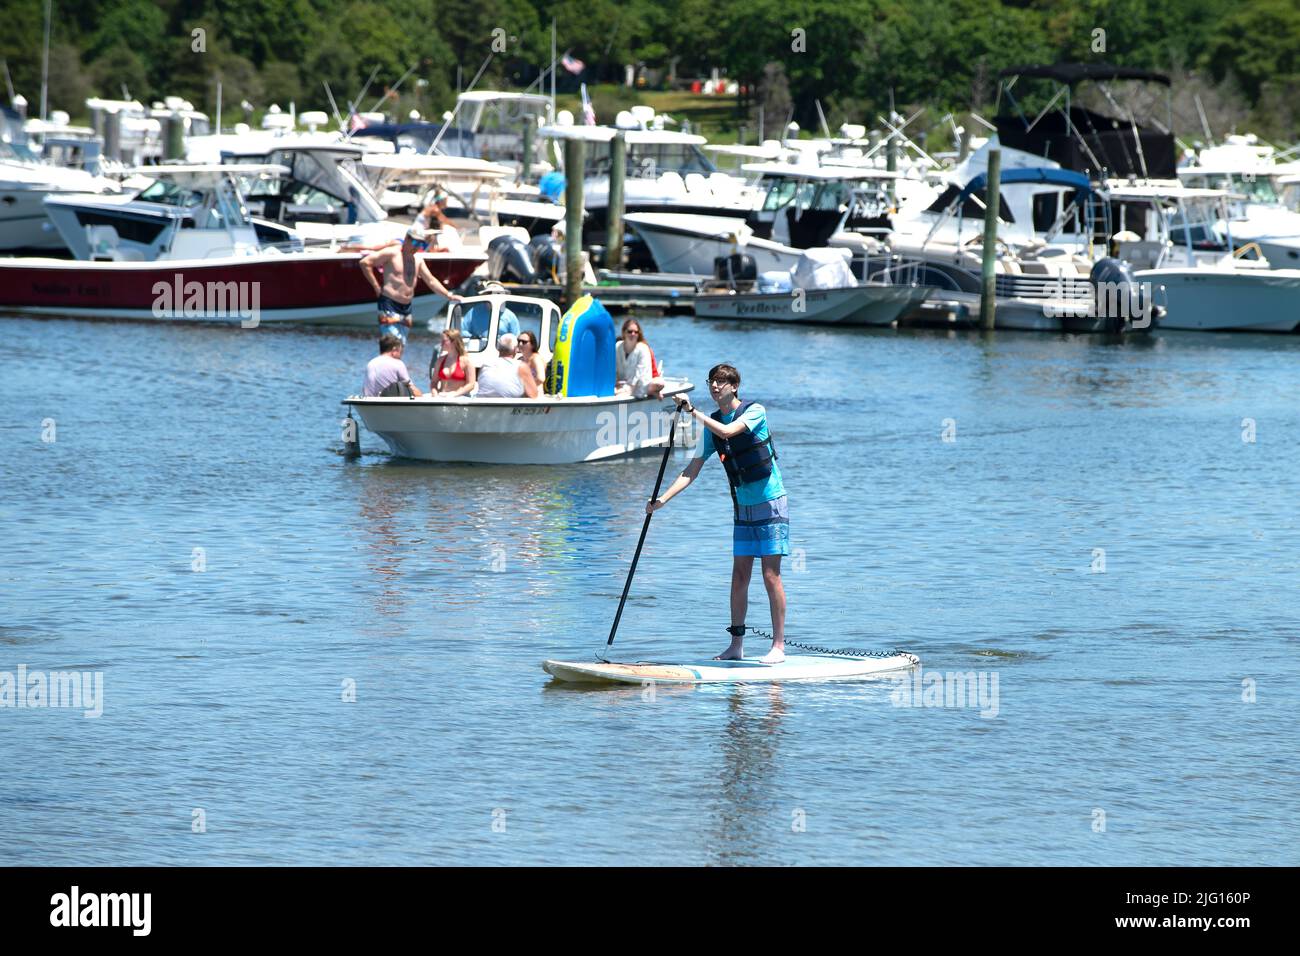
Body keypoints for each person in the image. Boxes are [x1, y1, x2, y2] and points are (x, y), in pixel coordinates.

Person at [646, 364, 788, 663]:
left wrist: (691, 411)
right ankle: (736, 645)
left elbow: (728, 430)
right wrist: (662, 500)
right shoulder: (712, 427)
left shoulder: (754, 411)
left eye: (721, 382)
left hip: (771, 502)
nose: (715, 386)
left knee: (770, 575)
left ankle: (778, 647)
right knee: (739, 576)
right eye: (711, 381)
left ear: (734, 386)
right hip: (742, 507)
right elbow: (691, 471)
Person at [359, 226, 464, 344]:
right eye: (414, 242)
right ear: (406, 239)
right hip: (389, 305)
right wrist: (376, 286)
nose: (416, 246)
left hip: (407, 308)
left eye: (420, 244)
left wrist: (449, 295)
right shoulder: (392, 253)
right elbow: (365, 263)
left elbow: (431, 280)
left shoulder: (418, 259)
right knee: (391, 344)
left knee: (401, 345)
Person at [476, 333, 539, 398]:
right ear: (515, 349)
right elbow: (534, 394)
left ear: (498, 348)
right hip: (510, 405)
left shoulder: (486, 365)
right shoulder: (521, 366)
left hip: (482, 404)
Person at [615, 319, 665, 399]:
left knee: (660, 383)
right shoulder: (617, 347)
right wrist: (616, 382)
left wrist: (628, 389)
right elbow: (615, 368)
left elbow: (639, 374)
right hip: (622, 383)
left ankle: (651, 391)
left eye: (636, 332)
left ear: (639, 334)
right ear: (624, 332)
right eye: (630, 331)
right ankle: (653, 392)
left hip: (640, 384)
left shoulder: (643, 348)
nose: (633, 334)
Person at [432, 328, 476, 397]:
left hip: (460, 397)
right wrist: (434, 393)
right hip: (442, 396)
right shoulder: (440, 360)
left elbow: (471, 384)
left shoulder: (466, 362)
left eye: (444, 341)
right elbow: (434, 382)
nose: (441, 344)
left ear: (454, 342)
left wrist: (455, 394)